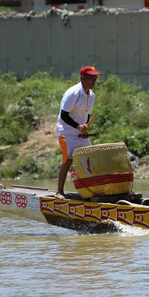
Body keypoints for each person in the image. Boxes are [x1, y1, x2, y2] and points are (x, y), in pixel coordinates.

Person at [55, 66, 102, 199]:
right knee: (67, 160)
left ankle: (90, 190)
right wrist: (77, 127)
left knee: (89, 159)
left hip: (78, 131)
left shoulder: (91, 95)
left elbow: (87, 115)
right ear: (83, 78)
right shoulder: (73, 93)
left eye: (95, 78)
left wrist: (84, 129)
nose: (94, 81)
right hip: (66, 131)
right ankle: (59, 191)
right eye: (91, 78)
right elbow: (64, 115)